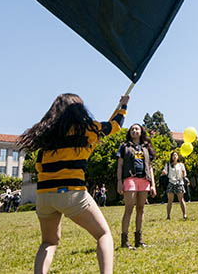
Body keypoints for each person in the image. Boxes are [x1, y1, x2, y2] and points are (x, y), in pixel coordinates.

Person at [18, 93, 127, 274]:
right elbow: (114, 126)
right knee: (103, 234)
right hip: (72, 193)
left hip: (44, 195)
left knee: (49, 242)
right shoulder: (87, 130)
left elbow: (39, 166)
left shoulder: (47, 137)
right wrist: (123, 106)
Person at [117, 123, 157, 248]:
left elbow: (150, 167)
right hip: (130, 179)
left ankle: (138, 240)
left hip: (144, 180)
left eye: (137, 129)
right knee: (129, 208)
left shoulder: (146, 147)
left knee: (141, 209)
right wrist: (119, 181)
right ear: (130, 132)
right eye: (132, 129)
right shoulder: (124, 147)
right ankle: (125, 241)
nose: (134, 131)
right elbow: (120, 165)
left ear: (141, 132)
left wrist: (153, 184)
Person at [161, 151, 187, 220]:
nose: (174, 156)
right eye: (173, 155)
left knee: (181, 200)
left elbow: (184, 175)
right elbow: (165, 172)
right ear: (171, 157)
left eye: (176, 155)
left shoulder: (181, 165)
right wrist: (163, 172)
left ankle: (184, 214)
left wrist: (183, 173)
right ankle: (168, 216)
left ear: (178, 157)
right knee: (170, 200)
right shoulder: (168, 164)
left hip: (179, 183)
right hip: (171, 182)